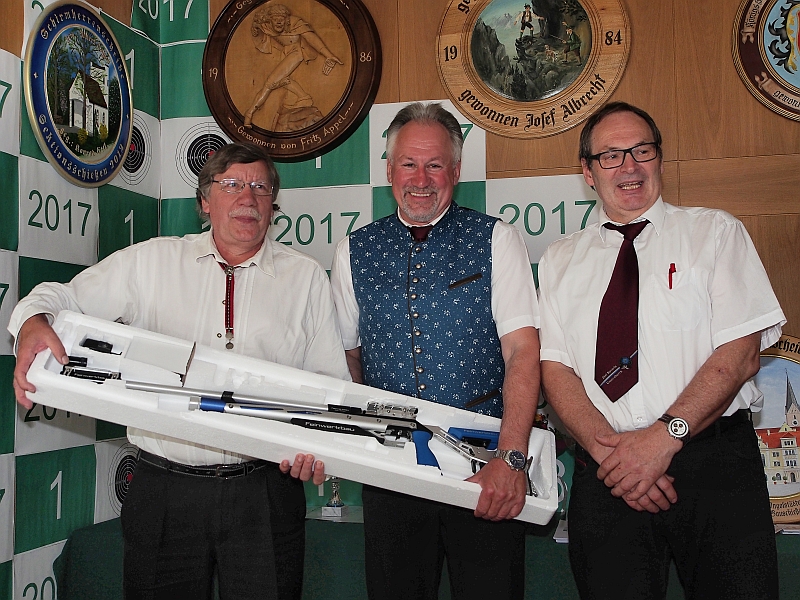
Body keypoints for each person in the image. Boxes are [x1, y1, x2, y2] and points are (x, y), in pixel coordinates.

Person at [9, 143, 350, 600]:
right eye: (231, 184)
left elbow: (329, 389)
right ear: (205, 201)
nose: (247, 197)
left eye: (260, 186)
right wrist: (33, 322)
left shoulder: (305, 278)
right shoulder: (151, 262)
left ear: (273, 203)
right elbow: (61, 297)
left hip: (266, 492)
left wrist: (319, 448)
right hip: (164, 491)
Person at [537, 101, 785, 599]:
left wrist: (661, 440)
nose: (629, 166)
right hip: (607, 471)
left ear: (660, 159)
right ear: (587, 171)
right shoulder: (559, 260)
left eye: (642, 150)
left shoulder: (715, 233)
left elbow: (740, 356)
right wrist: (616, 457)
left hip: (712, 467)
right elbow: (555, 370)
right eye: (610, 155)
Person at [330, 102, 541, 600]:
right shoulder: (353, 250)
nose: (420, 179)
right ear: (389, 170)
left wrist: (511, 459)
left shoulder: (496, 239)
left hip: (485, 470)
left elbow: (523, 353)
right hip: (393, 476)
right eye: (408, 164)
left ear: (456, 171)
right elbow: (348, 359)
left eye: (435, 165)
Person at [244, 3, 343, 130]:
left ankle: (250, 113)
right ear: (270, 20)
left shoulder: (295, 23)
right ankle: (304, 97)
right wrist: (256, 26)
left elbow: (312, 38)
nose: (279, 22)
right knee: (283, 80)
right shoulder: (266, 26)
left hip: (297, 52)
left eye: (282, 19)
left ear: (286, 20)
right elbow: (256, 26)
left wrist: (329, 55)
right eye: (275, 19)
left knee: (270, 83)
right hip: (285, 52)